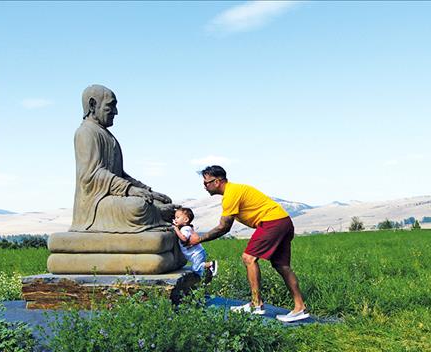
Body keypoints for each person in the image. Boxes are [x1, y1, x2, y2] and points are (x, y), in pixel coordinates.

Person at [188, 165, 309, 322]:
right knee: (282, 266)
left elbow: (224, 227)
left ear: (217, 181)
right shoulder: (235, 190)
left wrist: (199, 239)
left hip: (272, 222)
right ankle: (300, 308)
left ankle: (256, 304)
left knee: (249, 258)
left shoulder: (231, 194)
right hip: (283, 221)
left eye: (206, 183)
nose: (204, 187)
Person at [70, 84, 176, 233]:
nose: (116, 112)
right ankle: (157, 216)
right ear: (93, 105)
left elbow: (120, 174)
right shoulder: (86, 132)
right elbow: (91, 175)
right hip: (95, 203)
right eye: (110, 106)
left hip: (112, 196)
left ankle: (157, 214)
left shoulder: (106, 135)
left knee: (161, 201)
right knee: (138, 206)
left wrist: (147, 190)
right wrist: (129, 190)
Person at [173, 207, 217, 279]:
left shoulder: (185, 229)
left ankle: (211, 264)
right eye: (175, 217)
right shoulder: (186, 228)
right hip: (197, 253)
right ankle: (208, 274)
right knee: (196, 269)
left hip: (196, 254)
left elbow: (184, 238)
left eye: (177, 217)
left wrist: (176, 229)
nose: (175, 219)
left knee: (196, 268)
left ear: (186, 220)